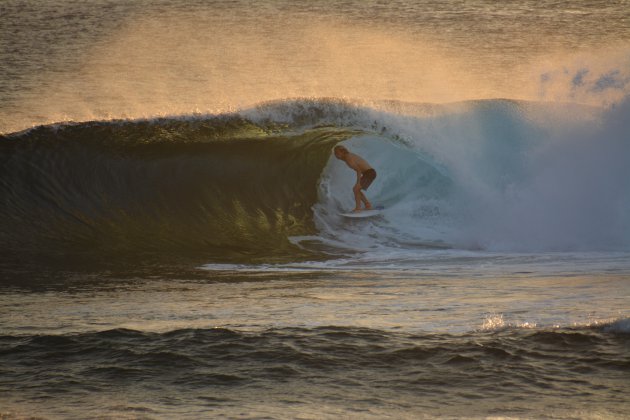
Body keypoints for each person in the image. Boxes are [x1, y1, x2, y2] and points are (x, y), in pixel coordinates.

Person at [333, 145, 377, 212]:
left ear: (343, 152)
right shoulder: (347, 156)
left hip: (369, 173)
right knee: (357, 190)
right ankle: (367, 205)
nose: (335, 155)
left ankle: (358, 208)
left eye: (337, 153)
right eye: (335, 153)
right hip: (369, 173)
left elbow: (358, 170)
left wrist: (358, 183)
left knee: (356, 189)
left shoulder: (348, 158)